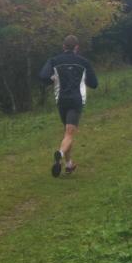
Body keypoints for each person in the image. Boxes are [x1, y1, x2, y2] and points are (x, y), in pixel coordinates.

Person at [39, 35, 98, 177]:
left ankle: (69, 164)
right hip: (76, 100)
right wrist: (85, 79)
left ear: (63, 46)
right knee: (69, 133)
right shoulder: (84, 62)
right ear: (76, 47)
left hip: (61, 100)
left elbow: (43, 76)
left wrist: (52, 79)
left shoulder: (54, 61)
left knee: (67, 132)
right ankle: (60, 153)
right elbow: (94, 84)